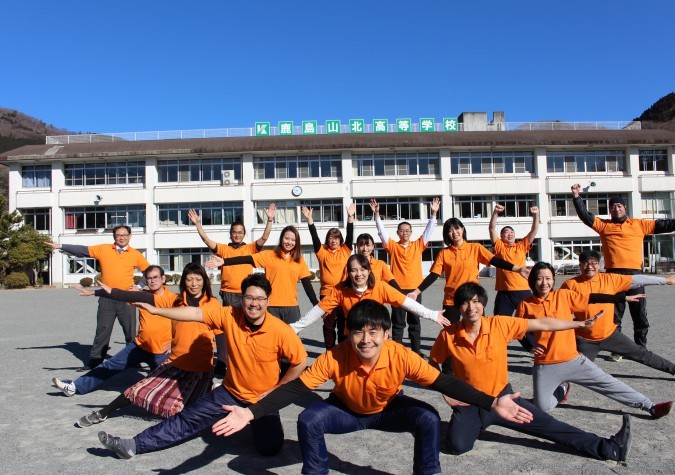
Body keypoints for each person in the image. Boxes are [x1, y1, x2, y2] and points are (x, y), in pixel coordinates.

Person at [208, 299, 535, 474]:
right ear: (348, 334)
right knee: (309, 419)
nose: (366, 340)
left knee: (428, 418)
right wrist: (250, 414)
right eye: (358, 332)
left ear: (387, 334)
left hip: (388, 410)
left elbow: (444, 381)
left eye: (374, 332)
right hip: (345, 411)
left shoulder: (401, 355)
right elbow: (295, 388)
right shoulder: (336, 356)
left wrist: (492, 402)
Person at [97, 273, 308, 460]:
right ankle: (133, 445)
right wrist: (156, 310)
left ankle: (255, 421)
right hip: (230, 392)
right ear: (242, 298)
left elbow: (300, 362)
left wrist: (276, 390)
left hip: (262, 399)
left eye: (260, 298)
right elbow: (194, 314)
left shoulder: (281, 331)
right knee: (186, 420)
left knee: (269, 449)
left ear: (268, 301)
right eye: (249, 297)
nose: (254, 304)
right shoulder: (229, 315)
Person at [429, 282, 632, 462]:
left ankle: (609, 448)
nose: (471, 307)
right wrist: (447, 393)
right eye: (465, 303)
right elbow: (432, 363)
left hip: (503, 399)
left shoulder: (500, 324)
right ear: (458, 307)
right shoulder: (448, 335)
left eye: (475, 302)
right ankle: (477, 423)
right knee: (457, 447)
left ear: (483, 304)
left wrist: (577, 323)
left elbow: (543, 323)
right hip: (470, 401)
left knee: (548, 425)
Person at [515, 262, 671, 418]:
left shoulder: (563, 295)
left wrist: (622, 298)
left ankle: (650, 406)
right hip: (545, 364)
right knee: (542, 407)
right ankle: (561, 389)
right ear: (532, 281)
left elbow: (592, 297)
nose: (544, 283)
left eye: (548, 278)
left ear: (553, 280)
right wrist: (530, 347)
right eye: (540, 278)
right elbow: (518, 330)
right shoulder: (525, 304)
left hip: (572, 360)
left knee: (608, 383)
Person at [73, 263, 221, 427]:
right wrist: (110, 293)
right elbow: (140, 296)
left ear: (204, 281)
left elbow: (220, 335)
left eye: (198, 279)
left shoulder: (213, 304)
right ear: (184, 281)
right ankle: (103, 412)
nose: (194, 284)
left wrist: (222, 362)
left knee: (194, 409)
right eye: (190, 279)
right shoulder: (175, 300)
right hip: (176, 362)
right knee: (138, 389)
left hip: (201, 368)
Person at [571, 183, 675, 347]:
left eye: (619, 205)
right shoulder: (604, 226)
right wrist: (577, 197)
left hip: (635, 275)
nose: (616, 209)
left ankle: (641, 347)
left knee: (639, 313)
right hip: (613, 276)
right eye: (612, 207)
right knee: (615, 314)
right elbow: (585, 216)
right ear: (609, 210)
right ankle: (617, 348)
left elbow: (666, 224)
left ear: (625, 207)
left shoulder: (639, 224)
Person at [52, 265, 173, 397]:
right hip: (139, 346)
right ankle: (74, 386)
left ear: (163, 278)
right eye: (149, 278)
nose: (152, 281)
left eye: (155, 277)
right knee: (109, 365)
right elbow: (120, 295)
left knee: (166, 386)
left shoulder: (173, 298)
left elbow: (185, 322)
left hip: (162, 351)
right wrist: (92, 292)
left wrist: (175, 342)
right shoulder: (141, 295)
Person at [562, 250, 675, 388]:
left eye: (594, 263)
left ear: (600, 265)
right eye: (585, 263)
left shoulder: (609, 279)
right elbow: (561, 309)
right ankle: (559, 391)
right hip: (584, 340)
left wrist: (665, 281)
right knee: (573, 372)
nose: (589, 266)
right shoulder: (570, 284)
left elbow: (637, 279)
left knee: (642, 354)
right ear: (580, 265)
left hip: (610, 335)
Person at [188, 204, 276, 376]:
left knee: (248, 327)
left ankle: (249, 359)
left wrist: (270, 220)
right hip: (228, 293)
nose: (237, 234)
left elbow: (264, 238)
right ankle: (224, 361)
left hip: (246, 295)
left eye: (240, 232)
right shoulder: (224, 249)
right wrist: (198, 224)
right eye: (234, 232)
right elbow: (207, 241)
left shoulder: (249, 248)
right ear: (231, 234)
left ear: (244, 234)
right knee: (229, 328)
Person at [48, 225, 150, 371]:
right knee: (103, 329)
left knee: (130, 332)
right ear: (114, 237)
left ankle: (133, 360)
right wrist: (60, 245)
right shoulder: (104, 249)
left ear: (130, 236)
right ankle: (95, 361)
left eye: (124, 235)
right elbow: (82, 250)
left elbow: (149, 271)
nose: (122, 237)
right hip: (106, 297)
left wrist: (139, 287)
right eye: (118, 235)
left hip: (127, 298)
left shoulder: (135, 254)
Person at [409, 217, 529, 324]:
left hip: (474, 297)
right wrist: (416, 292)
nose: (454, 232)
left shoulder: (475, 248)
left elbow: (495, 261)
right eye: (450, 230)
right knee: (451, 334)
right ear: (447, 234)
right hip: (452, 299)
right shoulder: (444, 253)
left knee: (479, 332)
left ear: (462, 229)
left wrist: (518, 269)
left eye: (457, 228)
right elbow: (434, 275)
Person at [291, 254, 450, 334]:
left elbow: (406, 303)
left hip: (377, 337)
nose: (358, 274)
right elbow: (318, 310)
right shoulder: (340, 290)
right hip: (353, 337)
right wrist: (295, 328)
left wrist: (432, 314)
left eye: (362, 269)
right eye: (353, 270)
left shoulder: (381, 287)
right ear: (348, 272)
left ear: (368, 270)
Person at [206, 225, 319, 324]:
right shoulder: (269, 255)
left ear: (296, 242)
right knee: (271, 343)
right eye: (287, 238)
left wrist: (316, 305)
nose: (289, 242)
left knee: (291, 343)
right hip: (270, 307)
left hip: (292, 308)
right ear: (281, 239)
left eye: (293, 240)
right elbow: (247, 259)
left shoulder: (299, 260)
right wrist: (225, 262)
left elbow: (307, 285)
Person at [370, 197, 440, 356]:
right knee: (398, 323)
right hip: (397, 290)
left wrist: (434, 214)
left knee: (415, 322)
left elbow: (428, 232)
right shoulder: (393, 247)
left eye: (407, 230)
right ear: (398, 233)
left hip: (415, 290)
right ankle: (397, 352)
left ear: (411, 232)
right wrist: (377, 215)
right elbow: (382, 233)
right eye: (402, 230)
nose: (405, 233)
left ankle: (416, 352)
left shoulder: (418, 245)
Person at [301, 202, 355, 348]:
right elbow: (314, 237)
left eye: (336, 238)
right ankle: (330, 352)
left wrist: (350, 217)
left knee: (344, 324)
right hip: (326, 294)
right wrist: (309, 220)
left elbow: (350, 235)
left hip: (344, 293)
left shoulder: (345, 251)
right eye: (331, 238)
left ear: (340, 240)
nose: (333, 240)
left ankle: (342, 351)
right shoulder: (322, 252)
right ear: (328, 239)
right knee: (329, 325)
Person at [489, 203, 539, 316]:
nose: (510, 234)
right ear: (501, 237)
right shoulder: (499, 247)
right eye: (506, 232)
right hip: (504, 292)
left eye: (512, 232)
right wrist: (496, 213)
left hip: (522, 290)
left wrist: (536, 215)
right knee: (500, 323)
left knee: (529, 321)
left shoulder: (521, 246)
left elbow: (534, 231)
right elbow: (492, 229)